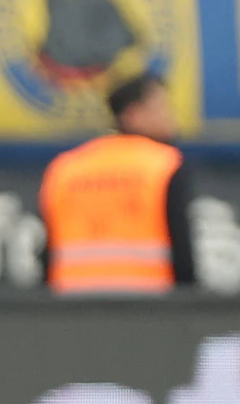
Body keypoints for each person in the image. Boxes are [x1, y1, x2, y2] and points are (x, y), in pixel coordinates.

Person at [39, 72, 196, 293]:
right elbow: (182, 253)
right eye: (162, 108)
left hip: (72, 309)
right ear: (132, 114)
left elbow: (47, 256)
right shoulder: (164, 165)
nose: (172, 120)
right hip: (147, 309)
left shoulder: (66, 168)